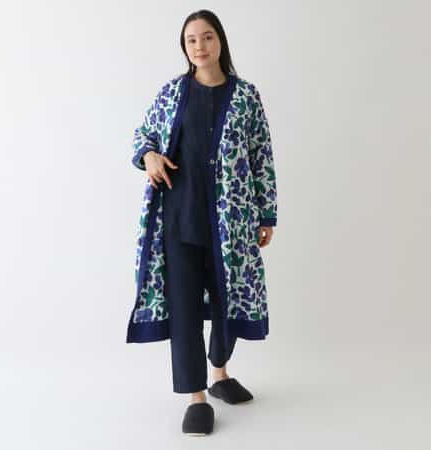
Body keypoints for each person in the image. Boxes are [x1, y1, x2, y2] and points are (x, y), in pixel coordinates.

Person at [128, 9, 277, 436]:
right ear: (185, 47)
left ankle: (220, 374)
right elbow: (142, 136)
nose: (200, 46)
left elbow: (261, 155)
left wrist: (266, 213)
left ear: (220, 41)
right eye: (191, 40)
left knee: (230, 300)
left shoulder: (245, 96)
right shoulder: (172, 93)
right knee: (186, 309)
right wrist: (149, 156)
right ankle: (196, 397)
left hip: (232, 221)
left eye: (207, 37)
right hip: (179, 218)